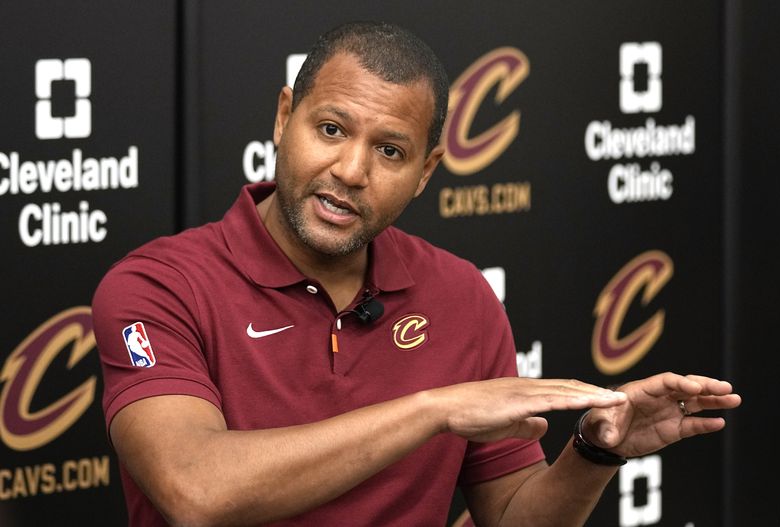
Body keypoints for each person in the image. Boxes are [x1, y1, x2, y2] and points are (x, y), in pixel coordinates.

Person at [92, 21, 741, 526]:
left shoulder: (461, 295)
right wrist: (435, 408)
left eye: (390, 151)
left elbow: (513, 514)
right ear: (284, 117)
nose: (350, 170)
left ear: (426, 172)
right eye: (330, 128)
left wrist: (595, 451)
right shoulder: (158, 286)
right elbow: (195, 490)